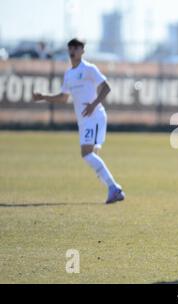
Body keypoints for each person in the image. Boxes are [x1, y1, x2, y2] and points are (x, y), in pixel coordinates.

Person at [32, 38, 125, 204]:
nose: (72, 50)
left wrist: (93, 105)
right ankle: (113, 189)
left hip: (94, 116)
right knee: (92, 158)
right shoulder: (69, 74)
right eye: (70, 47)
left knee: (87, 154)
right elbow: (63, 97)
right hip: (84, 120)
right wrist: (43, 97)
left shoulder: (89, 69)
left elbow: (106, 87)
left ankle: (114, 188)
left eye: (76, 47)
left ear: (82, 50)